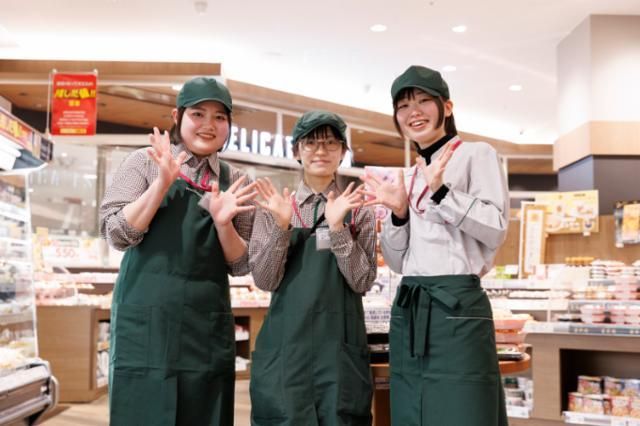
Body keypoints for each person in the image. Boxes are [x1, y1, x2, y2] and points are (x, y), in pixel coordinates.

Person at [100, 76, 257, 425]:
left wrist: (223, 223)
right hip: (146, 324)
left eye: (219, 117)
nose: (208, 125)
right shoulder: (144, 162)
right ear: (177, 116)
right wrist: (161, 184)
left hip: (205, 326)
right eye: (198, 114)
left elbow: (241, 264)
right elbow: (116, 233)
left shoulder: (237, 181)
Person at [361, 65, 510, 426]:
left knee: (464, 409)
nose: (413, 112)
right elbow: (398, 262)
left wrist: (443, 192)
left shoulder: (477, 154)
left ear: (447, 106)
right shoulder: (409, 175)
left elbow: (495, 228)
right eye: (403, 106)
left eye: (423, 101)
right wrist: (398, 215)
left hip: (457, 304)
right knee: (412, 409)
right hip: (411, 306)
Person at [248, 110, 376, 426]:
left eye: (331, 143)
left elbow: (361, 281)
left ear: (343, 152)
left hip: (339, 353)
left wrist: (338, 228)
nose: (321, 151)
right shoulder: (274, 207)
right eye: (311, 143)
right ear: (296, 151)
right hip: (286, 351)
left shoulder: (359, 209)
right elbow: (265, 280)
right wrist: (281, 227)